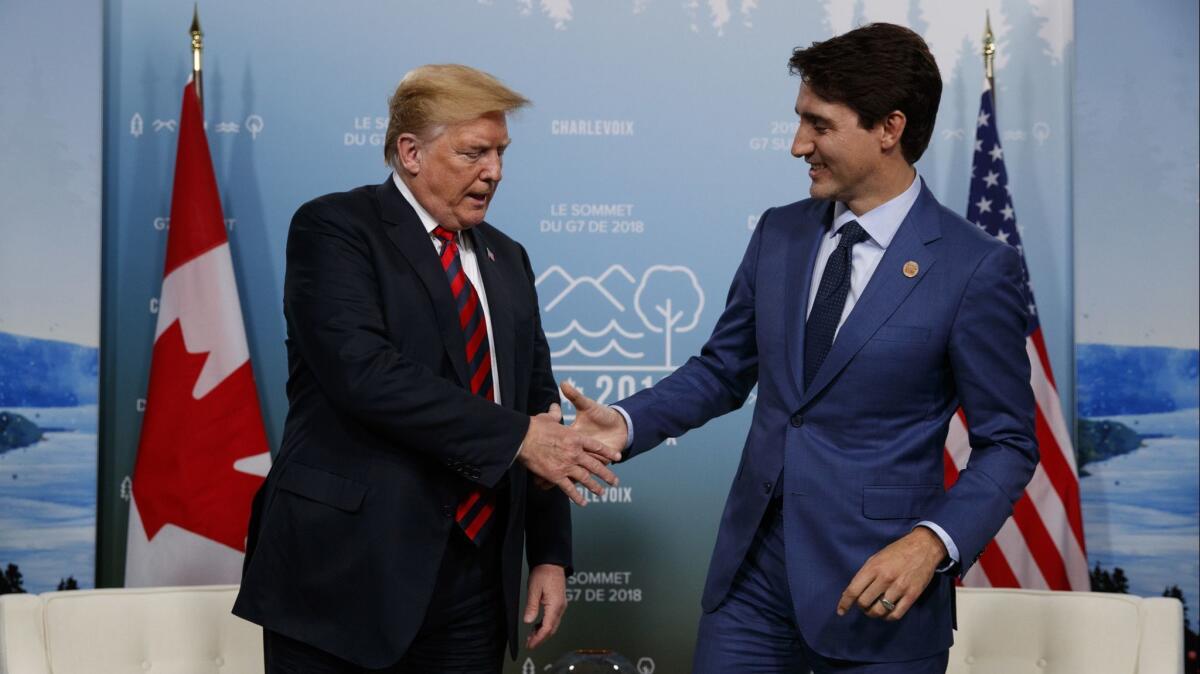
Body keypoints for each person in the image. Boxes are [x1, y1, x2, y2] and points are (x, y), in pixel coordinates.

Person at [564, 23, 1038, 673]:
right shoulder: (780, 234)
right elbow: (723, 371)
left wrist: (932, 544)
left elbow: (1009, 443)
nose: (797, 146)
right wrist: (623, 423)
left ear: (889, 128)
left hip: (878, 600)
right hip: (750, 589)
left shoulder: (975, 269)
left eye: (818, 125)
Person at [233, 64, 621, 673]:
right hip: (343, 576)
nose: (494, 171)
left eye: (500, 152)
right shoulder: (335, 228)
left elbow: (540, 410)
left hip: (473, 583)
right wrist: (519, 438)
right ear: (410, 152)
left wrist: (547, 553)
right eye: (474, 152)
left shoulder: (508, 257)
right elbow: (364, 373)